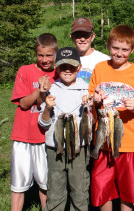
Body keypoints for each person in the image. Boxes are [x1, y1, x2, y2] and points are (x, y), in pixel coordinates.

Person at [88, 25, 134, 211]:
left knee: (128, 193)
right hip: (104, 142)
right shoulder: (100, 68)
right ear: (108, 46)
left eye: (124, 49)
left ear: (132, 50)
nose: (119, 53)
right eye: (115, 48)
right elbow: (91, 101)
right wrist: (96, 100)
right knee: (103, 190)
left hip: (129, 142)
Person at [38, 47, 92, 211]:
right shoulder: (51, 90)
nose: (67, 70)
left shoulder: (86, 89)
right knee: (55, 193)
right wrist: (47, 108)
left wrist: (89, 107)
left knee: (80, 192)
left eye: (72, 66)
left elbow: (92, 124)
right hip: (55, 149)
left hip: (79, 149)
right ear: (57, 68)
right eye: (63, 66)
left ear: (79, 68)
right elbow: (43, 123)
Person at [10, 33, 58, 211]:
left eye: (49, 55)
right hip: (23, 135)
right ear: (35, 54)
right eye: (40, 55)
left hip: (45, 137)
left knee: (45, 183)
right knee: (18, 184)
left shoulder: (59, 73)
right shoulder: (25, 70)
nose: (44, 60)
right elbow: (23, 103)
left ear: (55, 54)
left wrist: (46, 92)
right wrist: (39, 90)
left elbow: (51, 105)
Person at [70, 17, 110, 83]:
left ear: (92, 37)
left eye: (86, 35)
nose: (82, 39)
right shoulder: (66, 59)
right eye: (78, 35)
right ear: (72, 37)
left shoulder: (105, 60)